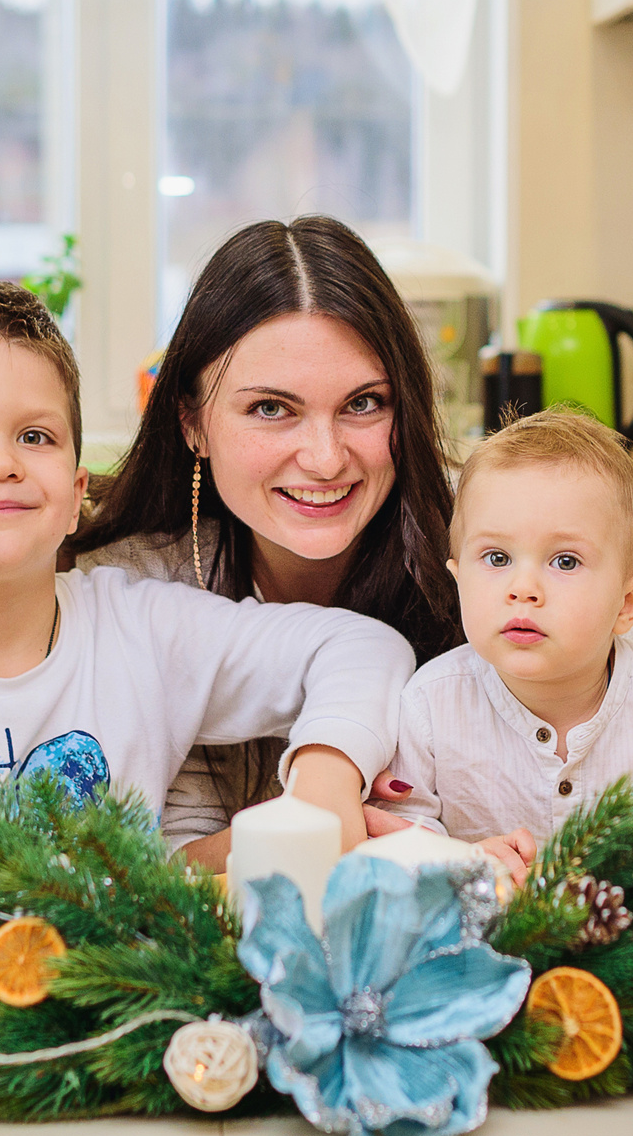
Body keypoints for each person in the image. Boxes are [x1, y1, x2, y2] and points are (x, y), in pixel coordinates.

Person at [0, 270, 412, 843]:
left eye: (35, 436)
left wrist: (319, 791)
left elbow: (363, 649)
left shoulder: (145, 629)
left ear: (76, 493)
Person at [68, 216, 462, 866]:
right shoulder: (135, 583)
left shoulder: (485, 542)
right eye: (272, 408)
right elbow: (127, 870)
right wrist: (316, 822)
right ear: (193, 421)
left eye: (364, 403)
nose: (325, 457)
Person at [377, 409, 633, 858]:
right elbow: (394, 836)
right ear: (459, 579)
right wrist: (462, 861)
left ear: (627, 603)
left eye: (565, 561)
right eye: (497, 558)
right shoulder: (427, 707)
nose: (523, 589)